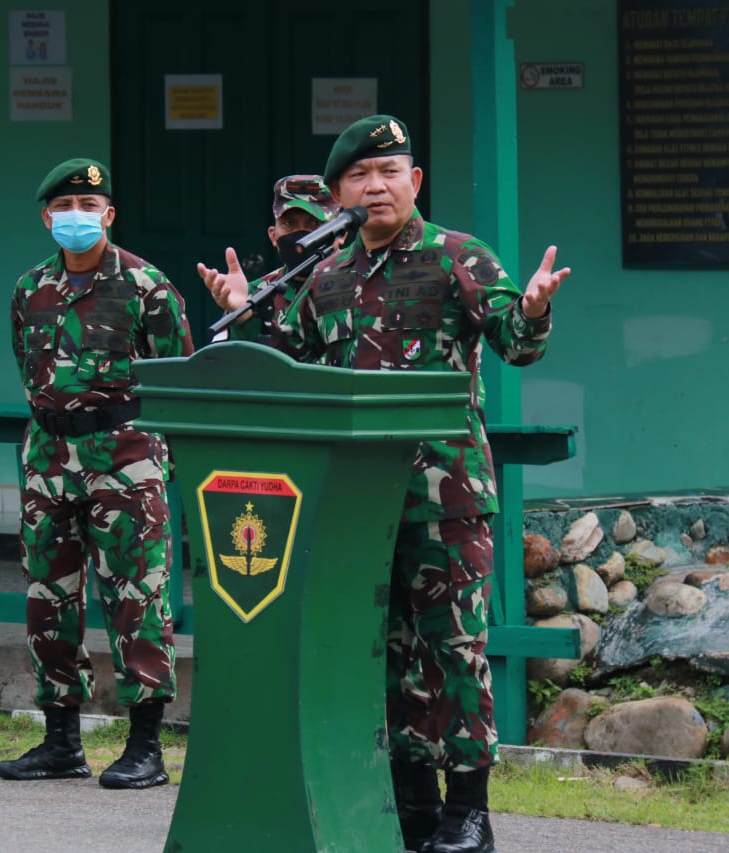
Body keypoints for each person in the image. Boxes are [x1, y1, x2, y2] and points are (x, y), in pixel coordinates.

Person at [202, 115, 569, 853]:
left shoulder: (457, 257)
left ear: (416, 182)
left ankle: (470, 807)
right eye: (360, 178)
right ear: (339, 192)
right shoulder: (326, 275)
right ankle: (412, 799)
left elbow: (513, 342)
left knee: (453, 645)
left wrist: (533, 311)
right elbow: (291, 366)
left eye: (390, 172)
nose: (376, 187)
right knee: (385, 650)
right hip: (355, 502)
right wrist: (243, 312)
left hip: (445, 495)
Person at [0, 158, 193, 789]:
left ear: (108, 215)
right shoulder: (31, 289)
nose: (75, 218)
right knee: (47, 597)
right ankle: (61, 740)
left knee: (137, 597)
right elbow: (28, 371)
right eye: (63, 208)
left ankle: (145, 746)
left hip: (126, 456)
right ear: (45, 217)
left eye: (88, 207)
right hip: (49, 458)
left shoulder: (146, 285)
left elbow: (177, 375)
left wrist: (158, 457)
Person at [208, 174, 339, 344]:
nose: (301, 236)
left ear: (340, 233)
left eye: (314, 223)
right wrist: (243, 317)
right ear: (273, 236)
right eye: (289, 224)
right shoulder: (254, 296)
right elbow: (228, 363)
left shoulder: (362, 284)